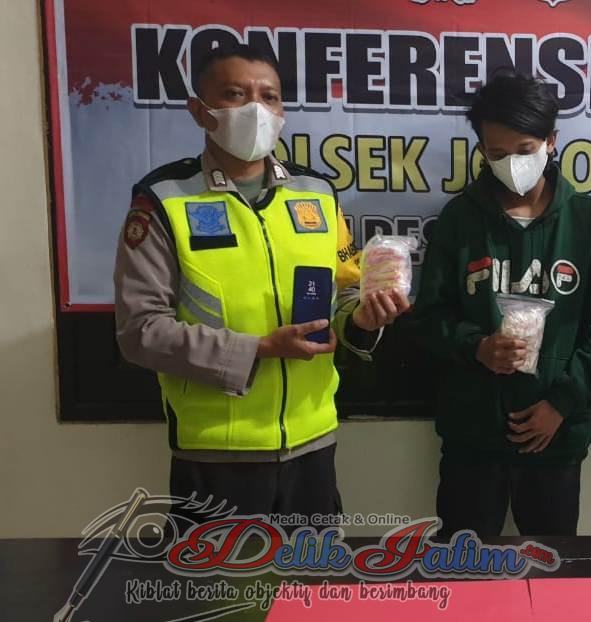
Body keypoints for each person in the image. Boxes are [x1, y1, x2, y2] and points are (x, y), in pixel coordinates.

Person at [114, 44, 409, 519]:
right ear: (200, 111)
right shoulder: (164, 201)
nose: (256, 109)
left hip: (313, 444)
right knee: (221, 573)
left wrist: (363, 319)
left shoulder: (317, 193)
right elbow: (140, 331)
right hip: (215, 453)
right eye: (235, 94)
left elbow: (346, 292)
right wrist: (260, 349)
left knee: (311, 571)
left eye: (268, 96)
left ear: (282, 111)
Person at [410, 72, 591, 537]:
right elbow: (429, 317)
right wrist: (476, 347)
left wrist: (562, 402)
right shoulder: (459, 219)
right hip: (472, 438)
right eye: (497, 153)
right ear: (481, 151)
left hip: (556, 438)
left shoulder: (587, 221)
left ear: (551, 141)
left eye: (525, 149)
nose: (512, 164)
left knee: (551, 567)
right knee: (461, 566)